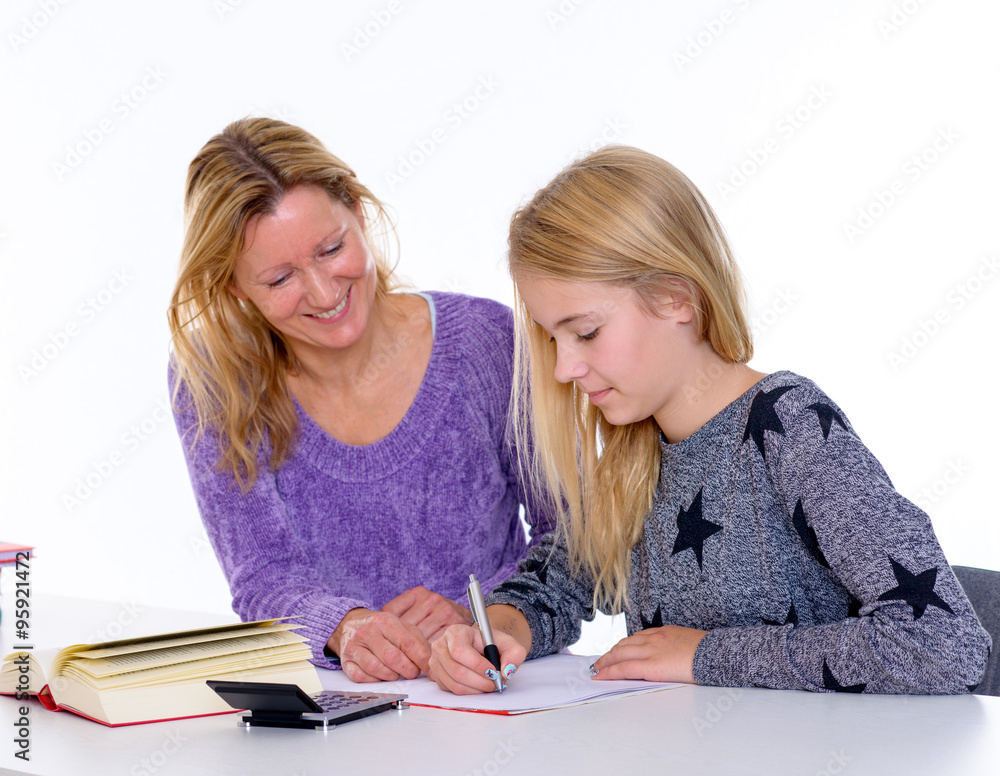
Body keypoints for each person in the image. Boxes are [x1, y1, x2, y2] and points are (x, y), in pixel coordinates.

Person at [428, 145, 991, 695]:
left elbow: (944, 644)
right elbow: (553, 585)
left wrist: (703, 655)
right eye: (554, 339)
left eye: (587, 332)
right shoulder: (633, 452)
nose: (563, 369)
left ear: (677, 298)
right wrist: (493, 631)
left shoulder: (788, 427)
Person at [167, 118, 551, 683]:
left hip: (501, 691)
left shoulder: (487, 343)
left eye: (331, 249)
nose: (323, 292)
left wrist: (484, 616)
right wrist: (345, 626)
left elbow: (575, 546)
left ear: (359, 213)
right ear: (234, 287)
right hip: (338, 705)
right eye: (279, 280)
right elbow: (263, 577)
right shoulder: (215, 380)